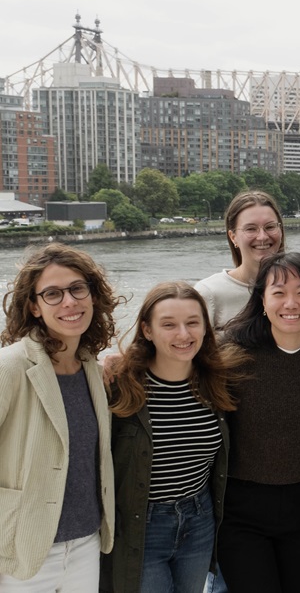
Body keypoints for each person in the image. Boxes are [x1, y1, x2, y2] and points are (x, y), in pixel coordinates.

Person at [102, 282, 248, 593]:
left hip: (199, 518)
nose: (184, 335)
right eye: (168, 324)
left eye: (193, 322)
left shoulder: (218, 381)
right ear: (147, 330)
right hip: (141, 524)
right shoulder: (119, 386)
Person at [215, 252, 300, 593]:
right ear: (262, 300)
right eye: (279, 292)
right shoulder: (230, 352)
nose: (291, 303)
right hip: (241, 509)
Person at [0, 243, 121, 589]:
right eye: (52, 294)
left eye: (77, 289)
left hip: (86, 544)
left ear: (93, 296)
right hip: (22, 554)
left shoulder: (90, 369)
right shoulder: (10, 367)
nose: (69, 302)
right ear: (34, 307)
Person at [195, 190, 286, 332]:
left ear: (280, 230)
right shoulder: (209, 293)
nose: (262, 237)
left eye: (270, 227)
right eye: (251, 229)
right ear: (233, 237)